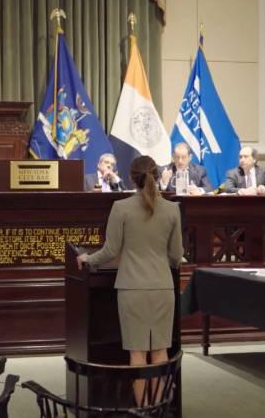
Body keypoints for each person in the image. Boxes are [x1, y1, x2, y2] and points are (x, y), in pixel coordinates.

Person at [76, 155, 183, 404]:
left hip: (131, 289)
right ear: (156, 176)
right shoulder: (172, 209)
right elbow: (176, 256)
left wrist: (86, 258)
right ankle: (157, 410)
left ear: (132, 178)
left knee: (137, 354)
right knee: (160, 352)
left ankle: (142, 410)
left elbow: (110, 251)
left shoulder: (120, 208)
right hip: (162, 288)